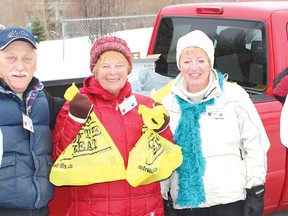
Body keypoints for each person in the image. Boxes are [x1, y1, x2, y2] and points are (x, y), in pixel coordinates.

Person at [52, 35, 174, 215]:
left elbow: (166, 157)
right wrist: (75, 120)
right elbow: (58, 156)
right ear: (94, 69)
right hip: (95, 210)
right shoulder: (78, 104)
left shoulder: (146, 106)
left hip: (144, 208)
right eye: (105, 66)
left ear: (129, 69)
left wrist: (163, 129)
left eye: (119, 65)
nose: (112, 72)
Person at [160, 30, 270, 216]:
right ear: (179, 64)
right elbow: (162, 154)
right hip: (186, 203)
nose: (194, 68)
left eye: (201, 61)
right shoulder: (167, 104)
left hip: (229, 199)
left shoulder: (234, 96)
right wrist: (163, 195)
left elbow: (255, 144)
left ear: (210, 62)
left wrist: (255, 190)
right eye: (187, 61)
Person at [0, 26, 65, 215]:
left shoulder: (42, 100)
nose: (20, 66)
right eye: (11, 58)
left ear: (35, 64)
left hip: (40, 208)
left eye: (27, 59)